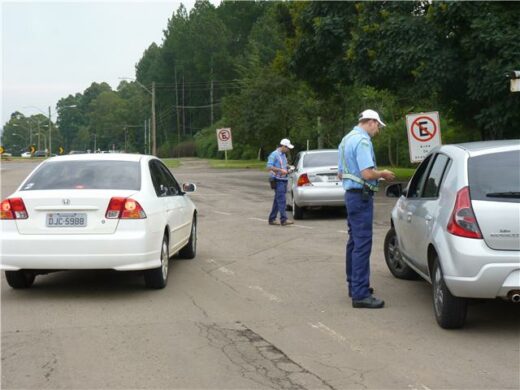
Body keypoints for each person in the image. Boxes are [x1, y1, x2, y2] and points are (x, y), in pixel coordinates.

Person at [338, 109, 395, 309]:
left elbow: (340, 174)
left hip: (351, 196)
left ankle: (354, 285)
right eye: (377, 125)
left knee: (354, 242)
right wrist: (383, 174)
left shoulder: (346, 140)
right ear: (370, 122)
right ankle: (361, 294)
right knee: (362, 244)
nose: (377, 129)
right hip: (361, 197)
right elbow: (367, 173)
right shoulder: (362, 141)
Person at [267, 138, 295, 226]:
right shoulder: (274, 155)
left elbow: (283, 165)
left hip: (283, 180)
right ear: (283, 146)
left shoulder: (283, 155)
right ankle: (284, 219)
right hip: (277, 180)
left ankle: (272, 219)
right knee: (282, 200)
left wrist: (288, 167)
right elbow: (269, 167)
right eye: (287, 148)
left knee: (277, 200)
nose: (288, 150)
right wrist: (280, 170)